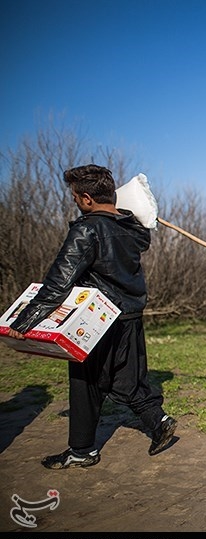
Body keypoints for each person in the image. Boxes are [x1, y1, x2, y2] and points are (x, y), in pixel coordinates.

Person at [7, 164, 177, 469]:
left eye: (74, 197)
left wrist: (24, 321)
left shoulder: (86, 229)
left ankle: (82, 450)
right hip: (130, 317)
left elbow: (60, 281)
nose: (73, 202)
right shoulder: (133, 229)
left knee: (85, 381)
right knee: (128, 379)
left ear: (86, 198)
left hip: (97, 320)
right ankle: (159, 421)